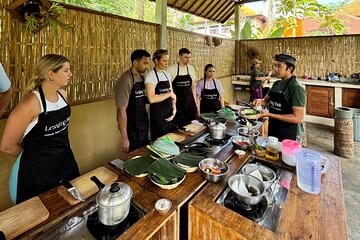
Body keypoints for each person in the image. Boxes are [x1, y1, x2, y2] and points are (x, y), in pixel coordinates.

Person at [0, 54, 80, 204]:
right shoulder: (30, 104)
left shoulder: (63, 95)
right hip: (37, 175)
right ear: (51, 74)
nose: (71, 74)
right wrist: (36, 156)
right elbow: (6, 146)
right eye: (66, 70)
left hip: (65, 164)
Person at [252, 53, 306, 142]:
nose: (276, 69)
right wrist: (259, 101)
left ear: (290, 69)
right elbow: (265, 101)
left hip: (289, 133)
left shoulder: (296, 88)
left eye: (279, 66)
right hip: (274, 128)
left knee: (285, 155)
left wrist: (269, 114)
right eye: (275, 66)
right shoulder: (277, 84)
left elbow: (297, 118)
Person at [114, 50, 150, 153]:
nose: (147, 66)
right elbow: (121, 111)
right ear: (135, 63)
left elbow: (144, 98)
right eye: (145, 63)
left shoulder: (142, 77)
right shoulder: (125, 80)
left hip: (143, 125)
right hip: (132, 129)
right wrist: (124, 138)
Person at [145, 49, 176, 140]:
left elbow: (172, 95)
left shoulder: (167, 74)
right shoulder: (151, 76)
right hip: (158, 116)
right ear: (156, 61)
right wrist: (169, 94)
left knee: (171, 140)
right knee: (159, 141)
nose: (166, 63)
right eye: (164, 61)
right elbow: (151, 98)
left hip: (170, 114)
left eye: (167, 61)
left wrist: (174, 109)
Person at [167, 48, 198, 126]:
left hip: (190, 104)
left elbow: (193, 87)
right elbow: (169, 89)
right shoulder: (171, 69)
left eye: (189, 57)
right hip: (178, 105)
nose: (188, 60)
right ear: (179, 57)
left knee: (191, 127)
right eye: (186, 57)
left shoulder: (191, 69)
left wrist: (195, 104)